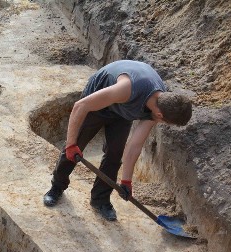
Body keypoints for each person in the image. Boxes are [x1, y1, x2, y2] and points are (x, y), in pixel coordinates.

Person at [42, 60, 192, 221]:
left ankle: (100, 200)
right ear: (161, 116)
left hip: (121, 113)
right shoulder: (127, 89)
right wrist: (71, 144)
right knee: (76, 145)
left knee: (115, 153)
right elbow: (80, 106)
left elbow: (134, 145)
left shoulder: (160, 106)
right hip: (97, 105)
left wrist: (126, 180)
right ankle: (56, 187)